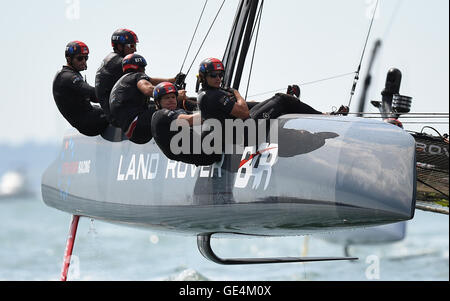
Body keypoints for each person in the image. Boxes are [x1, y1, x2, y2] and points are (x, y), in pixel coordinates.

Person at [109, 54, 181, 144]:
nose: (145, 70)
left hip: (130, 131)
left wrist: (173, 80)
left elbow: (150, 80)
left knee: (159, 103)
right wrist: (173, 92)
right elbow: (148, 89)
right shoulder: (137, 76)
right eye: (143, 67)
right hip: (138, 124)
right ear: (139, 68)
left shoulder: (125, 80)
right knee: (169, 104)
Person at [151, 82, 222, 165]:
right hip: (203, 153)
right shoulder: (160, 115)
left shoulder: (177, 112)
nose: (171, 100)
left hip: (204, 151)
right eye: (167, 98)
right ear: (157, 102)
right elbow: (189, 120)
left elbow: (197, 114)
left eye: (173, 97)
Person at [53, 41, 109, 137]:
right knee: (119, 111)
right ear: (69, 59)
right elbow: (93, 94)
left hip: (88, 117)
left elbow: (93, 98)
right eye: (80, 58)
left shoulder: (69, 74)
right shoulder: (68, 77)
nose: (84, 61)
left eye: (85, 58)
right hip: (89, 124)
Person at [95, 29, 140, 125]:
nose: (135, 50)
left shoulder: (111, 59)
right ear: (120, 46)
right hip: (119, 117)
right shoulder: (121, 63)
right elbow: (144, 81)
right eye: (132, 46)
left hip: (114, 112)